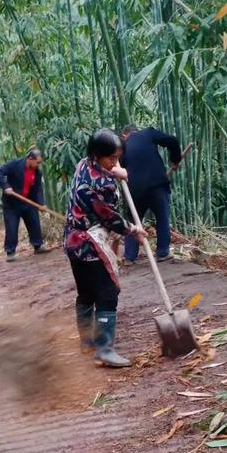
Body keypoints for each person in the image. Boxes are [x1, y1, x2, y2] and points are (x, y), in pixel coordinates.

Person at [63, 129, 146, 368]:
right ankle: (105, 348)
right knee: (108, 292)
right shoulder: (100, 184)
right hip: (89, 244)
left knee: (86, 293)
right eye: (110, 158)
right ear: (96, 155)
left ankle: (87, 341)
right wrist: (133, 230)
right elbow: (110, 217)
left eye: (116, 157)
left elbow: (109, 172)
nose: (114, 162)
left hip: (72, 241)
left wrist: (118, 171)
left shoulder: (83, 164)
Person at [120, 124, 182, 263]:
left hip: (134, 191)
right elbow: (172, 140)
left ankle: (130, 257)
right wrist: (175, 160)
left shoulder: (122, 148)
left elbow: (120, 170)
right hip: (157, 185)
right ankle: (162, 252)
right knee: (162, 218)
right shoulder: (148, 133)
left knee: (133, 222)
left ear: (124, 136)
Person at [0, 147, 51, 261]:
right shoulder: (15, 164)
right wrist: (6, 186)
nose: (38, 165)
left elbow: (38, 188)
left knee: (34, 222)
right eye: (37, 162)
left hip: (28, 201)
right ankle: (10, 252)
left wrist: (41, 203)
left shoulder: (37, 172)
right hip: (12, 203)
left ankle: (38, 245)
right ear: (30, 159)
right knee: (12, 226)